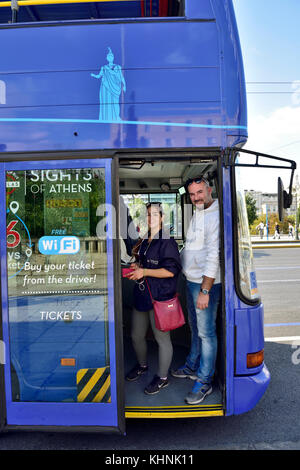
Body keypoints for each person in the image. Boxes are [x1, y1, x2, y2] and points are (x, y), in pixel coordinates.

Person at [171, 176, 221, 405]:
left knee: (206, 333)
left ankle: (204, 381)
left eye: (200, 192)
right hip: (190, 280)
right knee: (195, 327)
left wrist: (205, 291)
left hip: (204, 284)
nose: (196, 197)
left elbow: (213, 256)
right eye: (192, 194)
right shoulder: (198, 212)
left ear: (209, 190)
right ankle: (192, 365)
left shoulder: (216, 216)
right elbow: (190, 247)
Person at [125, 202, 182, 395]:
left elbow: (170, 271)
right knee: (136, 336)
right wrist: (137, 268)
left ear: (163, 217)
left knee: (161, 339)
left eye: (155, 215)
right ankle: (142, 366)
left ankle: (163, 378)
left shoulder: (167, 241)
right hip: (142, 295)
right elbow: (142, 263)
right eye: (148, 215)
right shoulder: (145, 239)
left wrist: (145, 271)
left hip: (159, 297)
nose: (151, 218)